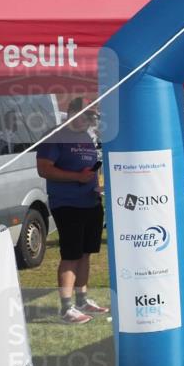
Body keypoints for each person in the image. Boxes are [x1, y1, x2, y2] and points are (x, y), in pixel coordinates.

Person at [35, 98, 109, 324]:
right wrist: (77, 177)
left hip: (91, 202)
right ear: (73, 112)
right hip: (67, 204)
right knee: (71, 255)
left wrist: (96, 185)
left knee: (86, 253)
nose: (90, 120)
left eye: (94, 117)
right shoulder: (55, 135)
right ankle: (66, 308)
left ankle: (82, 300)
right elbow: (44, 169)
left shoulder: (86, 137)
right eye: (87, 115)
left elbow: (88, 168)